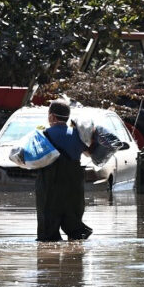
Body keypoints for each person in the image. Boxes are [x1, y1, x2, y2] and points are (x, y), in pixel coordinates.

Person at [35, 100, 93, 242]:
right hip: (73, 191)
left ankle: (49, 261)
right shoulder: (78, 135)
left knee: (47, 237)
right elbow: (89, 154)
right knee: (76, 235)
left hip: (49, 190)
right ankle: (75, 260)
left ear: (52, 117)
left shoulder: (43, 135)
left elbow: (29, 159)